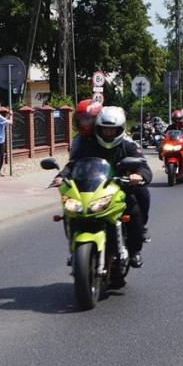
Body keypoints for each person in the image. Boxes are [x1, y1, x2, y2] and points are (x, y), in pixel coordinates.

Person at [51, 106, 152, 267]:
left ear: (120, 129)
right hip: (93, 188)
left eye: (113, 130)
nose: (108, 133)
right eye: (104, 129)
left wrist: (138, 175)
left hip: (121, 187)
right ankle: (75, 248)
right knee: (70, 211)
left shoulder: (128, 145)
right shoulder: (88, 143)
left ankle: (134, 250)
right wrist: (61, 176)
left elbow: (144, 167)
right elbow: (74, 163)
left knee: (136, 207)